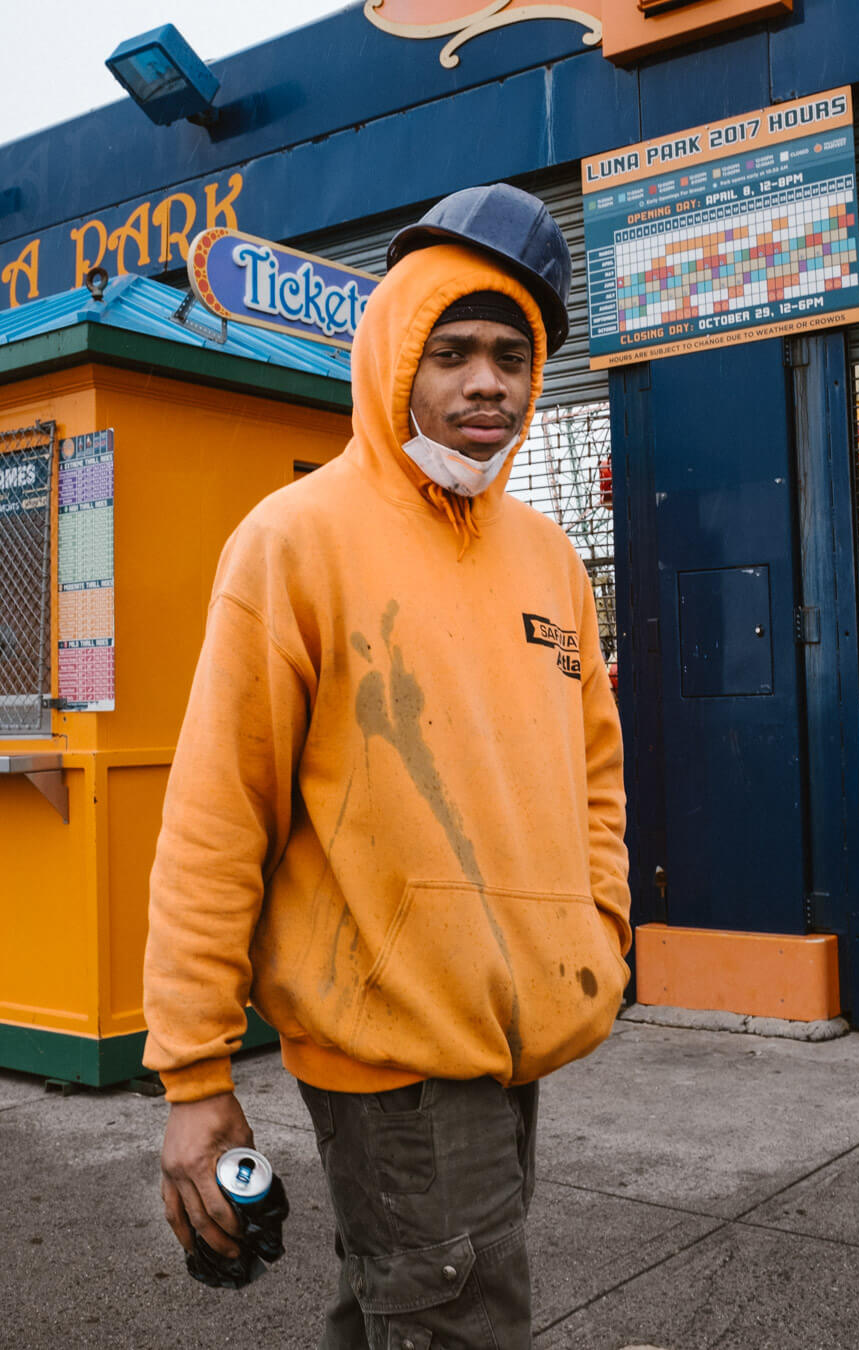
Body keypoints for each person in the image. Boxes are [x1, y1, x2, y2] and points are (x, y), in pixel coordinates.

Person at [143, 182, 631, 1349]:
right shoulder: (297, 540)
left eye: (512, 357)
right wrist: (194, 1075)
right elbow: (218, 815)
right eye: (452, 353)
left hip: (511, 1041)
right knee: (458, 1318)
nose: (487, 383)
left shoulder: (551, 558)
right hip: (392, 1059)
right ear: (393, 358)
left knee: (403, 1310)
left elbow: (596, 774)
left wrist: (598, 930)